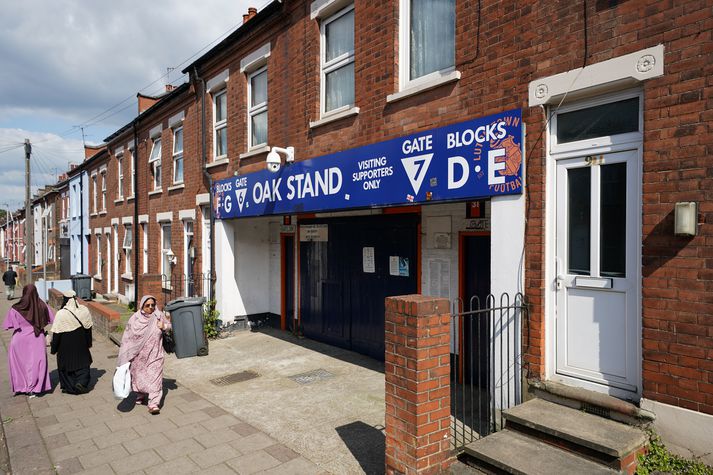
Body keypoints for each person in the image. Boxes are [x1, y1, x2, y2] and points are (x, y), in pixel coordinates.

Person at [117, 295, 171, 414]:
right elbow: (127, 337)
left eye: (153, 305)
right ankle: (140, 395)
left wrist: (164, 326)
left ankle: (153, 403)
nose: (151, 307)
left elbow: (169, 326)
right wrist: (127, 354)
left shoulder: (159, 315)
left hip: (155, 354)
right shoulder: (135, 318)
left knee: (155, 378)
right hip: (139, 356)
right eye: (148, 305)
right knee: (138, 377)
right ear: (142, 306)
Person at [2, 284, 54, 396]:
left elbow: (9, 325)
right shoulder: (42, 305)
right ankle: (35, 387)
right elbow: (50, 319)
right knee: (37, 364)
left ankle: (22, 386)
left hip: (19, 339)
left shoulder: (15, 308)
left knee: (20, 365)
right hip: (37, 339)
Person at [50, 290, 93, 394]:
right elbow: (88, 329)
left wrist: (54, 348)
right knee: (82, 364)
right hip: (81, 344)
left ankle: (69, 386)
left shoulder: (61, 314)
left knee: (67, 367)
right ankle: (81, 383)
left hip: (65, 347)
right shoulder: (84, 310)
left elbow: (57, 333)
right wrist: (88, 343)